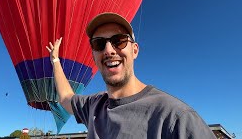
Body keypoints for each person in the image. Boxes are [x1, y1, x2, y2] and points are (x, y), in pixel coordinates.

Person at [46, 12, 216, 139]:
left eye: (119, 40)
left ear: (134, 50)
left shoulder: (175, 117)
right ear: (94, 55)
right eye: (99, 44)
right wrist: (55, 60)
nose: (109, 50)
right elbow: (65, 97)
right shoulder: (93, 106)